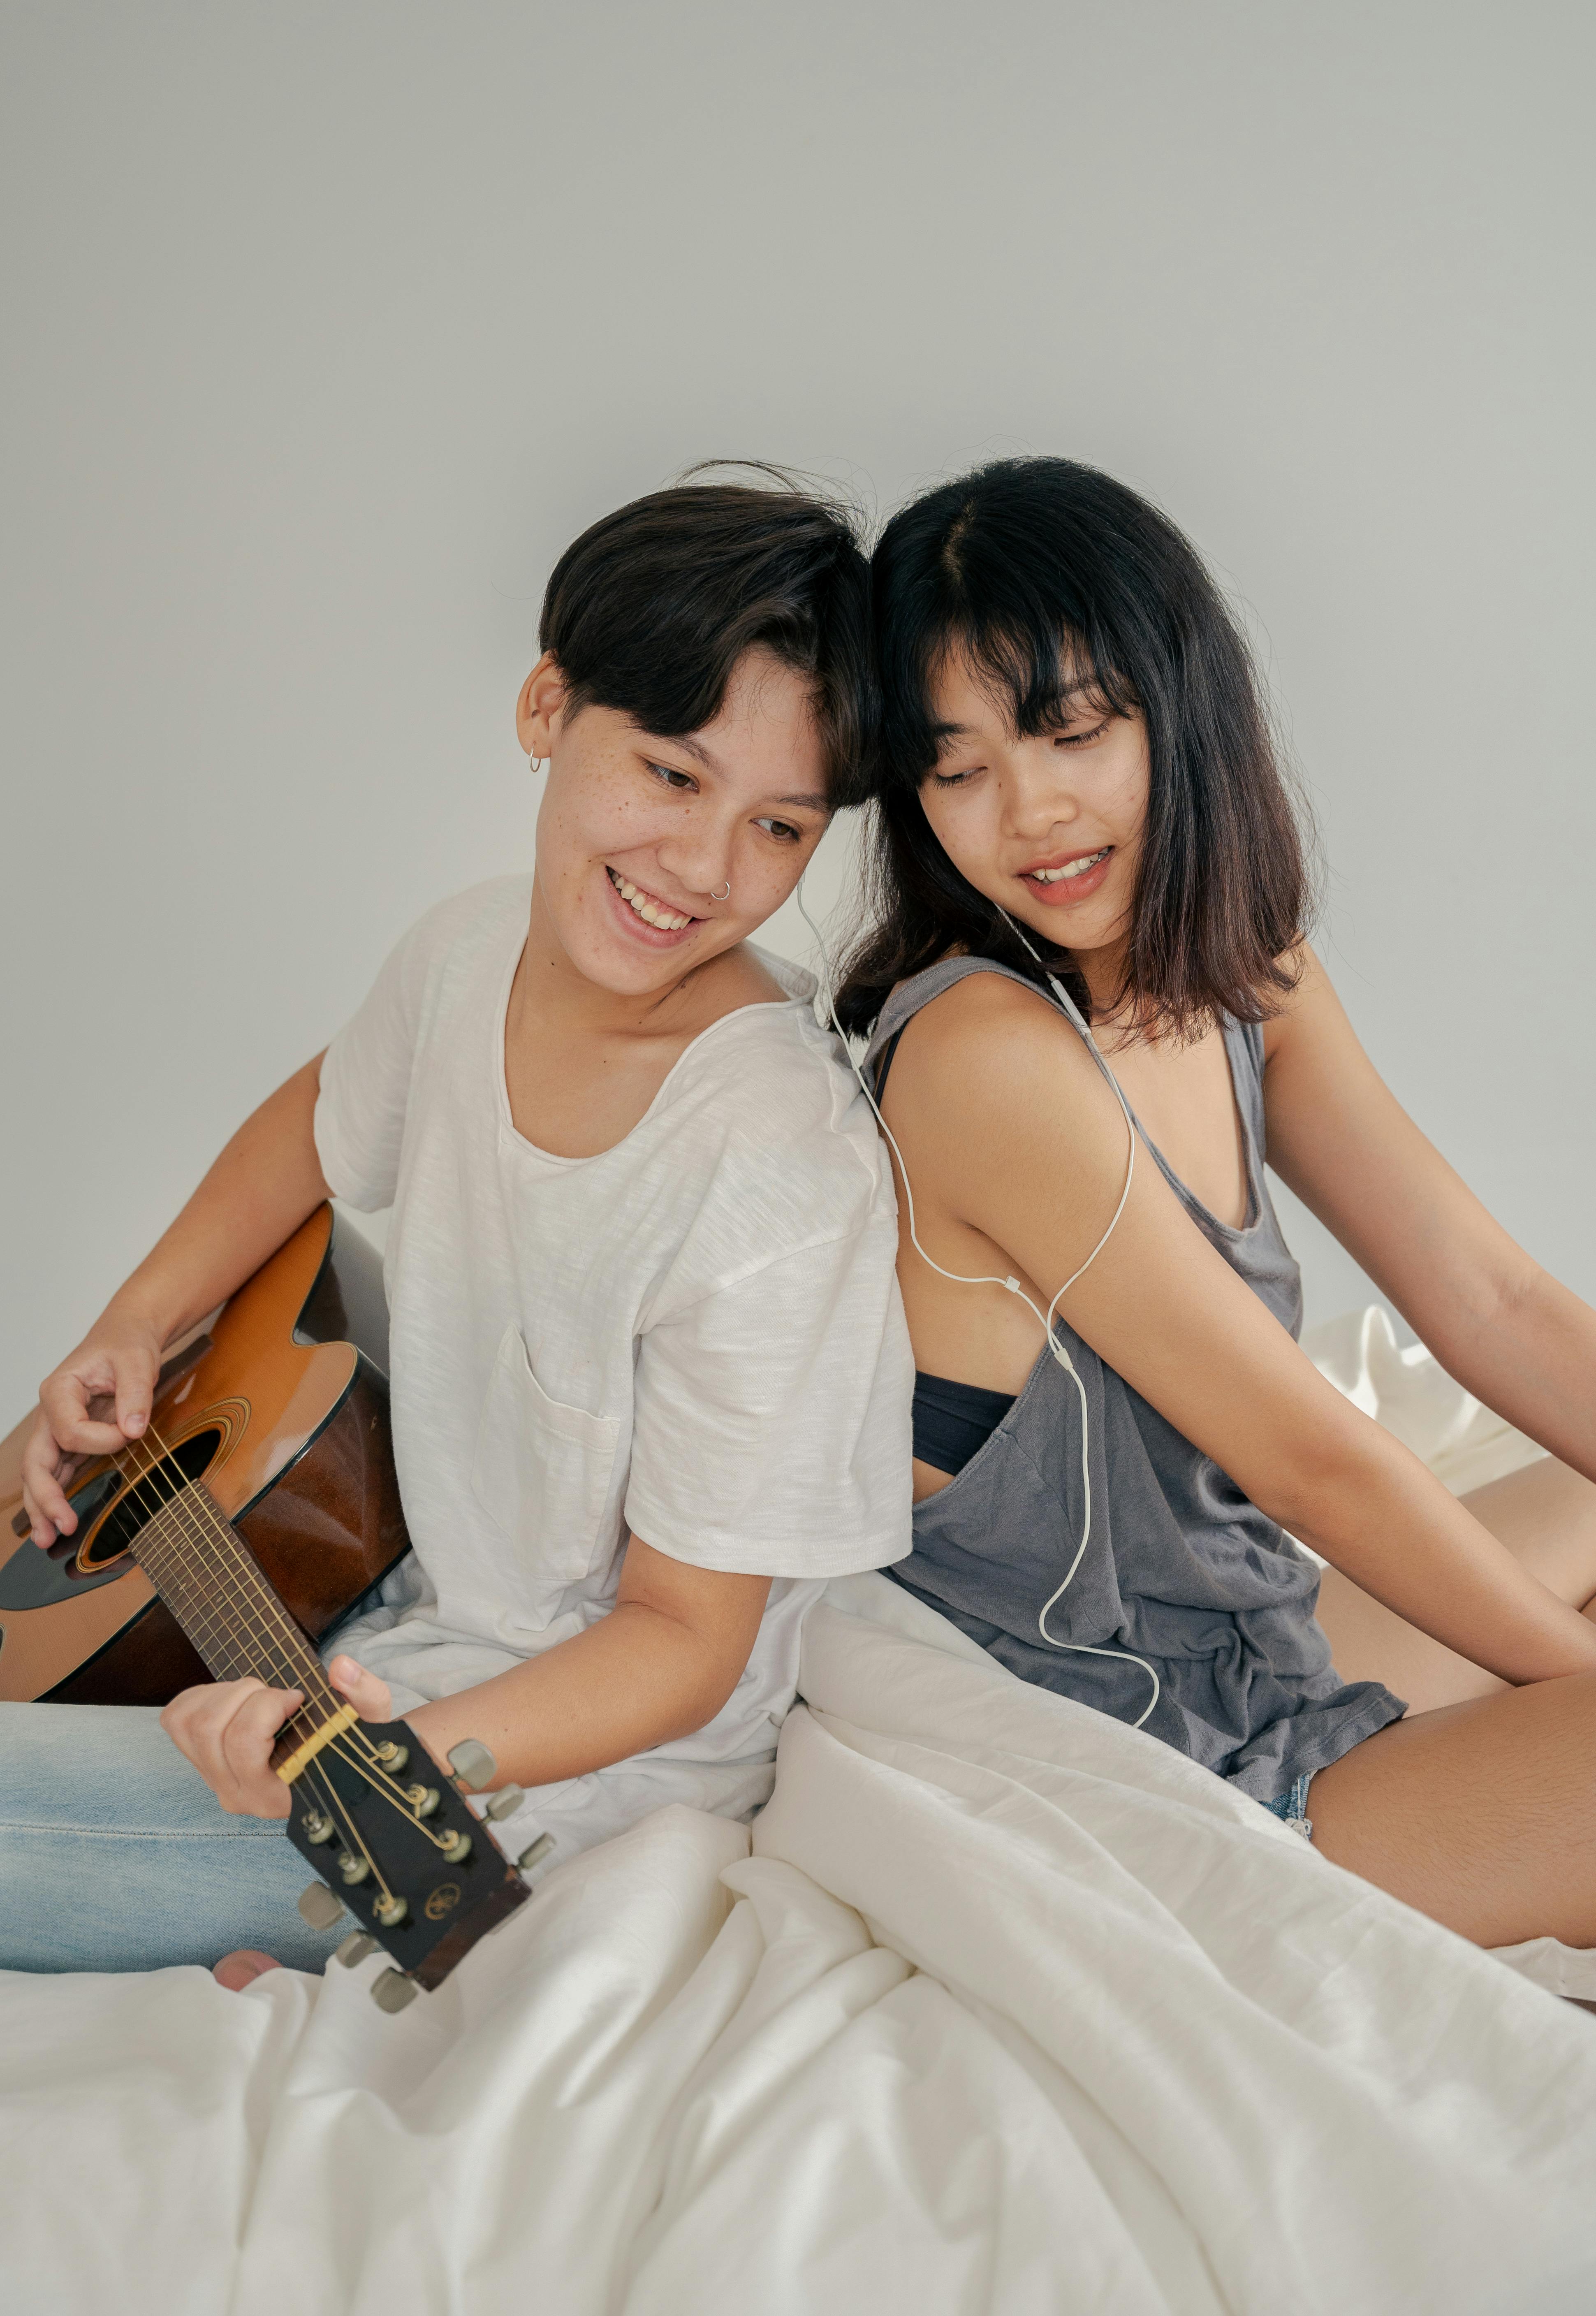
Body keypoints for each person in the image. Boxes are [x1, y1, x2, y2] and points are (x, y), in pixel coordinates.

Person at [7, 476, 912, 1982]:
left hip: (562, 1779)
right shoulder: (466, 949)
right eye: (671, 777)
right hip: (390, 1619)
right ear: (546, 705)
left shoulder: (773, 1157)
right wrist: (136, 1320)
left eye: (777, 826)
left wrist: (368, 1763)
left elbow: (686, 1646)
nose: (702, 870)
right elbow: (320, 1116)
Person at [833, 454, 1596, 1952]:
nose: (1027, 814)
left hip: (1261, 1642)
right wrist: (1566, 1696)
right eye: (958, 767)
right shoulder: (982, 1053)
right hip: (1137, 1766)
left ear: (1177, 706)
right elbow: (1318, 1466)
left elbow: (1489, 1299)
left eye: (1068, 732)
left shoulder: (1244, 979)